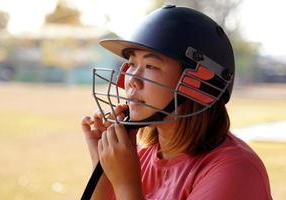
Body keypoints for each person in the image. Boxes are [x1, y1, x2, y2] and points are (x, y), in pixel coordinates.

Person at [82, 5, 272, 200]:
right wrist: (102, 167)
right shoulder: (143, 156)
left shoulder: (235, 170)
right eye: (131, 64)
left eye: (150, 66)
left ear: (198, 85)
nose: (132, 80)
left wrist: (126, 185)